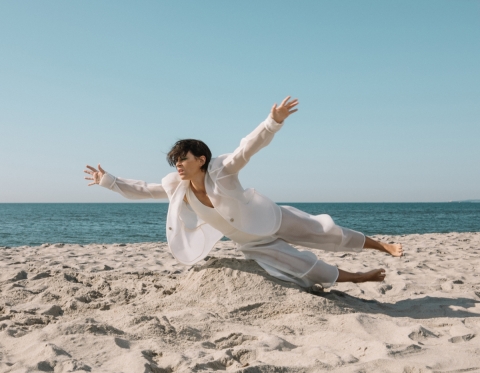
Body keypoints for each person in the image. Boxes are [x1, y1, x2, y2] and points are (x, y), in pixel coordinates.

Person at [84, 97, 403, 289]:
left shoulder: (222, 170)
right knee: (305, 268)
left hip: (273, 218)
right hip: (253, 243)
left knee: (327, 231)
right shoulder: (176, 187)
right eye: (175, 161)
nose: (178, 165)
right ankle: (360, 278)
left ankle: (382, 245)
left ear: (201, 159)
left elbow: (246, 149)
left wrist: (272, 122)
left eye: (183, 159)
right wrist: (108, 181)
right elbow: (143, 189)